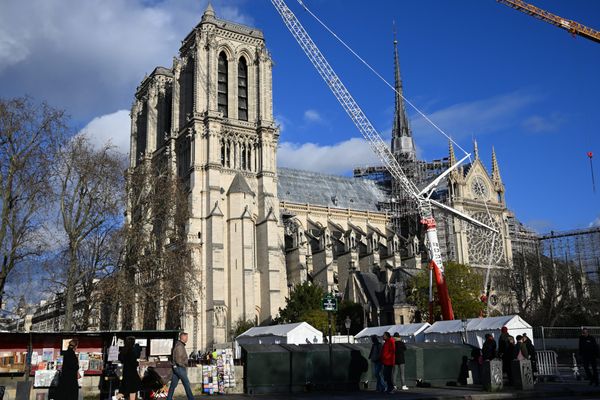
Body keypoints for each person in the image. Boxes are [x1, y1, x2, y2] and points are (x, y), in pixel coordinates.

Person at [167, 332, 194, 400]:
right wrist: (184, 364)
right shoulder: (180, 346)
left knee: (173, 385)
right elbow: (178, 360)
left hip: (177, 368)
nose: (187, 339)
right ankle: (191, 398)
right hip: (180, 368)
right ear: (183, 337)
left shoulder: (179, 345)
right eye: (186, 337)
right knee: (186, 384)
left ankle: (169, 398)